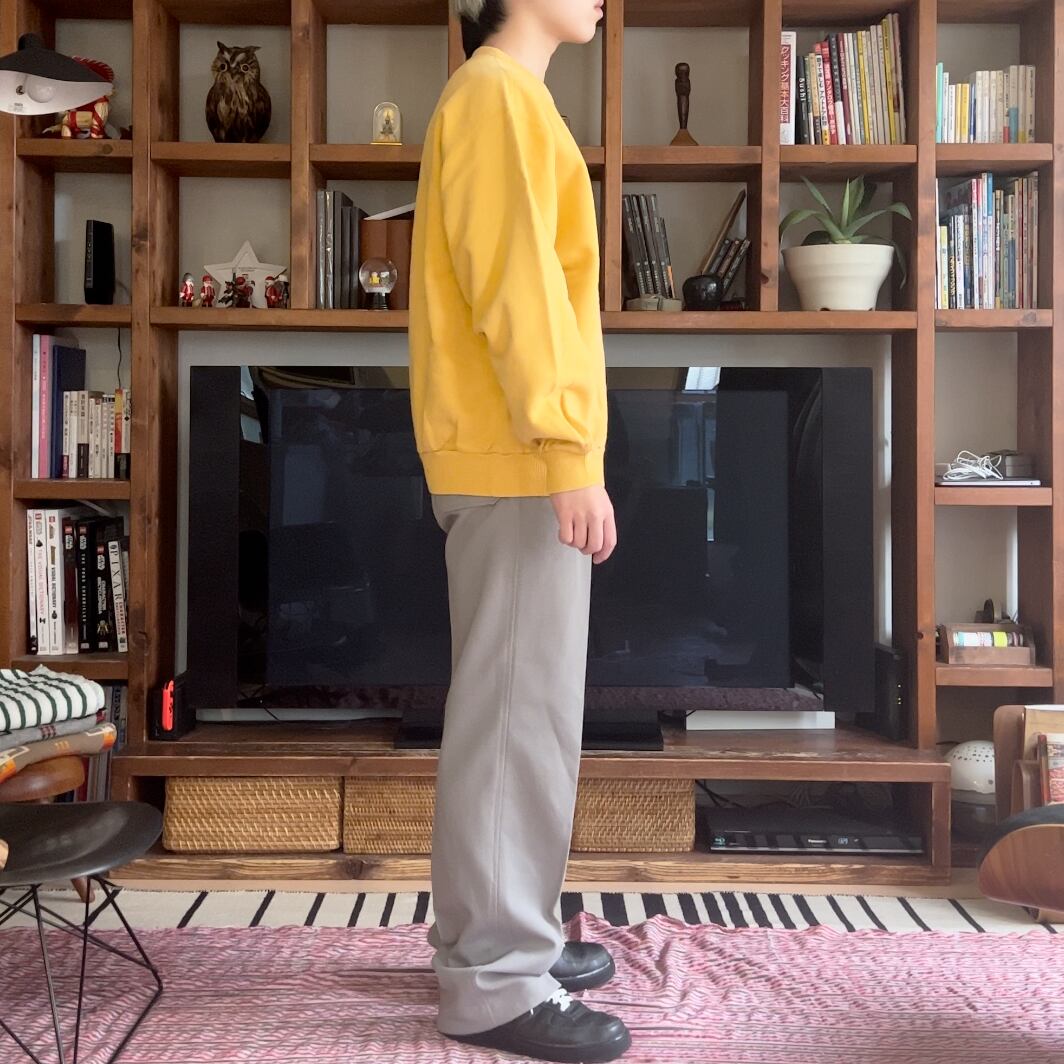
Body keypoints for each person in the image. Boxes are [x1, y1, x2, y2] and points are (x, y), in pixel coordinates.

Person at [407, 1, 631, 1061]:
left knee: (512, 715)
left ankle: (495, 942)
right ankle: (496, 980)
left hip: (510, 458)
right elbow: (520, 288)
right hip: (517, 460)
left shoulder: (506, 97)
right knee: (515, 721)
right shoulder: (496, 94)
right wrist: (565, 450)